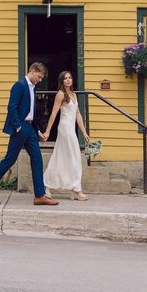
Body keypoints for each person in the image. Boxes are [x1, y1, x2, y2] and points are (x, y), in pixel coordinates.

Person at [0, 62, 59, 206]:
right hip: (20, 127)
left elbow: (31, 111)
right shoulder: (19, 85)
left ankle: (39, 195)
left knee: (37, 158)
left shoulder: (33, 87)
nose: (40, 80)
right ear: (33, 71)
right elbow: (11, 107)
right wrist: (18, 127)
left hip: (30, 128)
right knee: (10, 160)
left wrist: (37, 131)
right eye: (39, 76)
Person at [42, 71, 90, 200]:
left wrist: (84, 132)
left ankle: (48, 185)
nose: (68, 80)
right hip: (64, 128)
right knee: (75, 157)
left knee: (62, 157)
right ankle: (76, 189)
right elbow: (53, 113)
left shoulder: (73, 94)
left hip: (71, 128)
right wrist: (47, 131)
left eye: (70, 78)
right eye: (65, 78)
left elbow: (78, 114)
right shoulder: (61, 94)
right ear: (62, 81)